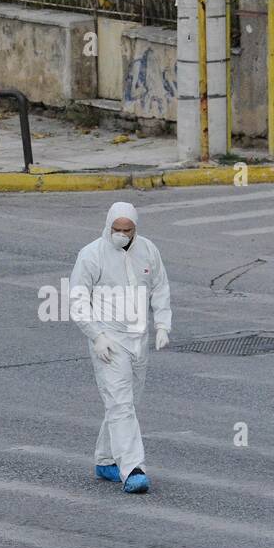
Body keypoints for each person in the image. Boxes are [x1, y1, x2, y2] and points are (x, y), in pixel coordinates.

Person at [70, 202, 171, 494]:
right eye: (117, 229)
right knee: (121, 403)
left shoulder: (148, 250)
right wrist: (96, 335)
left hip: (139, 339)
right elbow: (77, 300)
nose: (122, 235)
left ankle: (105, 460)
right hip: (109, 341)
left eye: (128, 230)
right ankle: (132, 469)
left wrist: (163, 324)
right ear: (108, 226)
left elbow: (160, 287)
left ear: (135, 229)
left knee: (126, 402)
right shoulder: (91, 255)